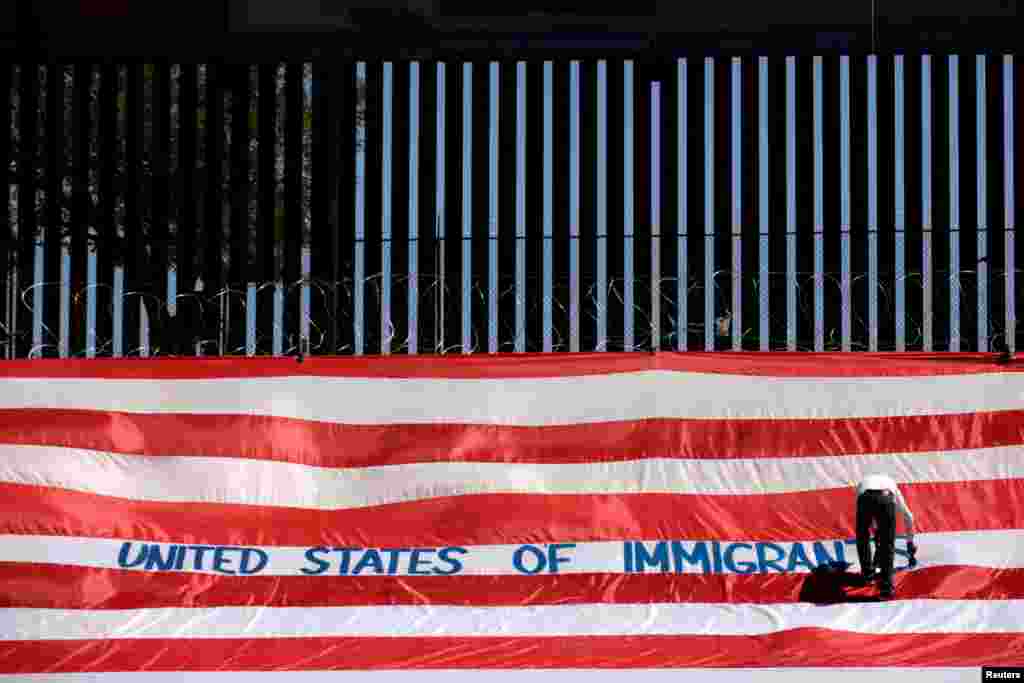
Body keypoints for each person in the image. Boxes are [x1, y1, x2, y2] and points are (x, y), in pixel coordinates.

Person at [855, 474, 917, 599]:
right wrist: (910, 542)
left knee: (862, 537)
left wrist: (876, 532)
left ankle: (867, 575)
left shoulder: (862, 484)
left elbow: (867, 521)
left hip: (865, 497)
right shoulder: (893, 487)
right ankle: (886, 588)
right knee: (888, 544)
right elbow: (908, 516)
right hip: (886, 499)